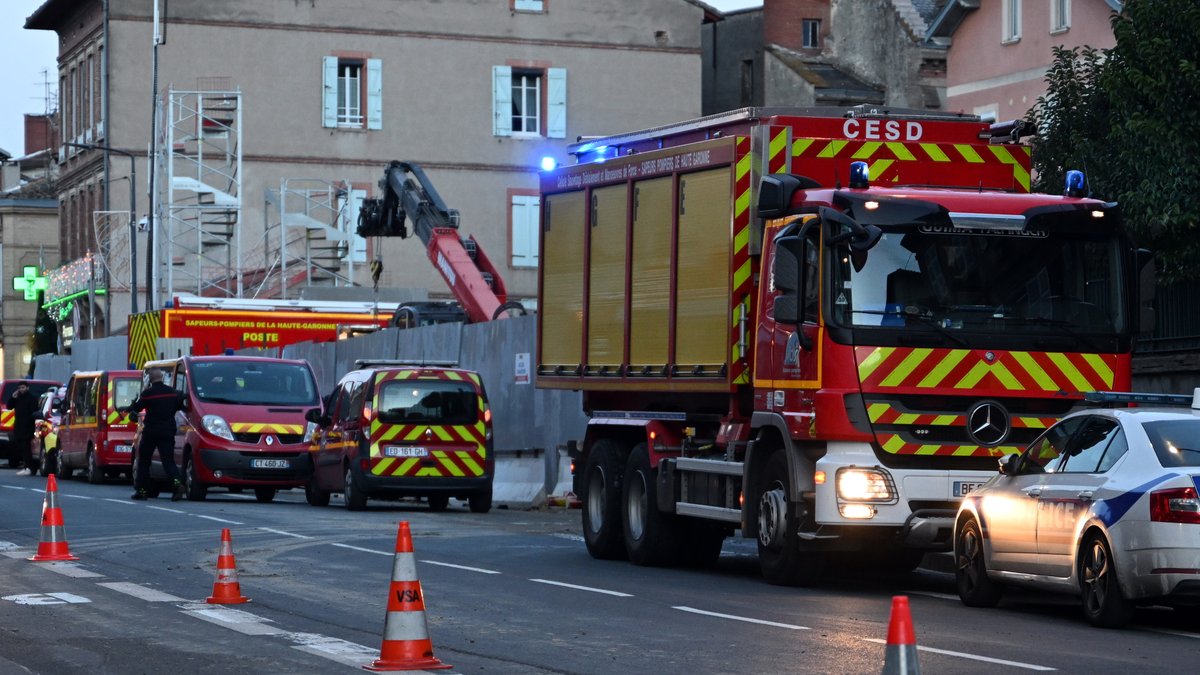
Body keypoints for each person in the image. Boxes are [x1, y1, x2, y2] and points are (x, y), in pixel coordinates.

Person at [125, 369, 187, 501]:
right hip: (168, 431)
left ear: (150, 379)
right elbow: (180, 405)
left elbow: (135, 410)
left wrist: (133, 409)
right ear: (162, 378)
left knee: (144, 461)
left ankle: (141, 491)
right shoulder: (172, 393)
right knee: (168, 461)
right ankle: (177, 485)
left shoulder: (148, 394)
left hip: (151, 432)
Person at [5, 382, 39, 477]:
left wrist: (29, 423)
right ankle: (27, 467)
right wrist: (13, 397)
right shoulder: (18, 398)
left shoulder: (32, 398)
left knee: (26, 448)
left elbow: (34, 412)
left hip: (27, 427)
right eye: (20, 388)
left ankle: (29, 468)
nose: (21, 389)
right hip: (18, 427)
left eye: (23, 387)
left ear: (27, 388)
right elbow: (9, 406)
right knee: (21, 448)